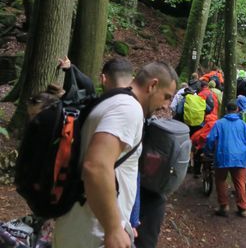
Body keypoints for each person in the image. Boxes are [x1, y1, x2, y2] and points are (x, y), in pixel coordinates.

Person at [53, 62, 178, 248]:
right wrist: (113, 228)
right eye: (167, 97)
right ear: (152, 85)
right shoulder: (128, 110)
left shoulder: (113, 100)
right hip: (94, 232)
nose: (166, 105)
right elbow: (96, 166)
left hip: (83, 224)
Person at [205, 101, 246, 217]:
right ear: (237, 110)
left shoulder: (219, 123)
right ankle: (242, 208)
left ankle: (224, 206)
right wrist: (244, 150)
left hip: (223, 155)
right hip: (240, 157)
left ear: (226, 110)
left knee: (221, 180)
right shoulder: (243, 124)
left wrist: (208, 152)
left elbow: (210, 139)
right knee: (240, 182)